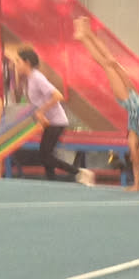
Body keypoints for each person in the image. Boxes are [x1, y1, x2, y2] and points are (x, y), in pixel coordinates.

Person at [74, 18, 139, 191]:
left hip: (126, 99)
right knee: (111, 60)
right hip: (135, 95)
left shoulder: (133, 141)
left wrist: (136, 185)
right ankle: (88, 34)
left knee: (106, 65)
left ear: (135, 158)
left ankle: (84, 38)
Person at [19, 46, 92, 185]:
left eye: (18, 61)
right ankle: (51, 182)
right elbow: (38, 102)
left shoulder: (37, 77)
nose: (16, 64)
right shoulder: (31, 78)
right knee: (45, 155)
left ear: (27, 62)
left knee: (45, 155)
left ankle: (79, 172)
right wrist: (39, 115)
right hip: (49, 122)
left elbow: (58, 96)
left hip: (57, 121)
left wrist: (41, 111)